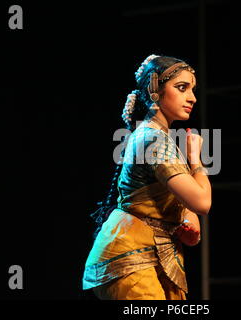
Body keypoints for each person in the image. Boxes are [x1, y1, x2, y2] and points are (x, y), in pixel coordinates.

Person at [82, 54, 212, 300]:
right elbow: (202, 202)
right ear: (155, 92)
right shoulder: (152, 140)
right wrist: (196, 160)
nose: (192, 97)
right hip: (130, 256)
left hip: (152, 254)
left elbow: (169, 200)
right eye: (182, 88)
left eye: (192, 89)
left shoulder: (157, 138)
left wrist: (184, 217)